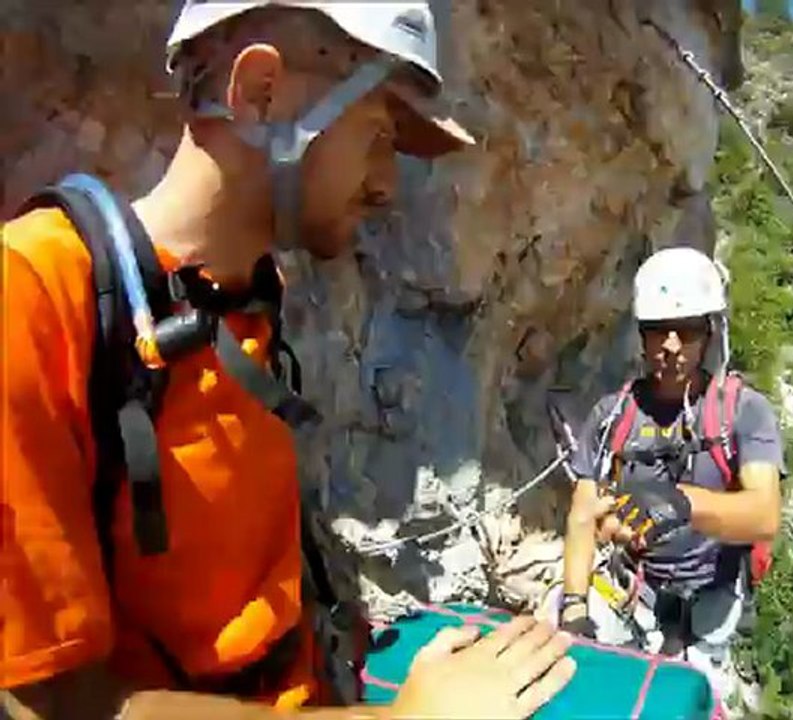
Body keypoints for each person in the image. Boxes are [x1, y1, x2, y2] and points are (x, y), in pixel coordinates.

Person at [0, 2, 576, 719]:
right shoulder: (34, 292)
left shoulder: (245, 298)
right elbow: (50, 704)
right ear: (261, 94)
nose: (385, 185)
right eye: (376, 135)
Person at [556, 246, 783, 685]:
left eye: (687, 330)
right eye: (659, 331)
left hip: (712, 591)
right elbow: (582, 513)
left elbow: (764, 516)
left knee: (689, 695)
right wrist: (574, 606)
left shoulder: (742, 411)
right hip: (639, 586)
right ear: (642, 335)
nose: (672, 346)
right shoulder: (613, 416)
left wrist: (681, 503)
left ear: (708, 333)